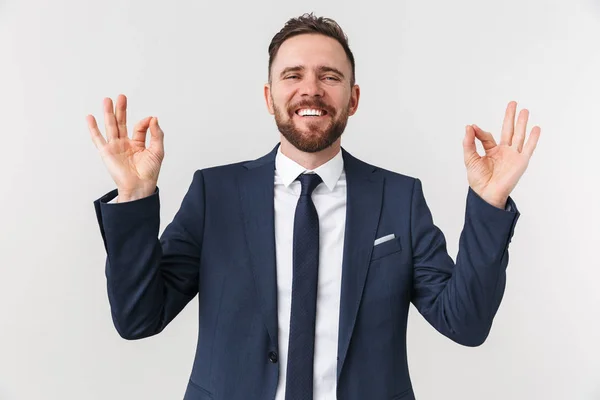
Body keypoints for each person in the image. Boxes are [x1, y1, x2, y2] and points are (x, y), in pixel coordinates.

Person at [87, 13, 540, 400]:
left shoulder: (399, 198)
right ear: (269, 98)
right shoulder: (215, 193)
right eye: (292, 75)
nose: (311, 89)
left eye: (329, 76)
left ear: (353, 98)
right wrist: (134, 195)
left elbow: (465, 323)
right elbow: (138, 318)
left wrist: (489, 199)